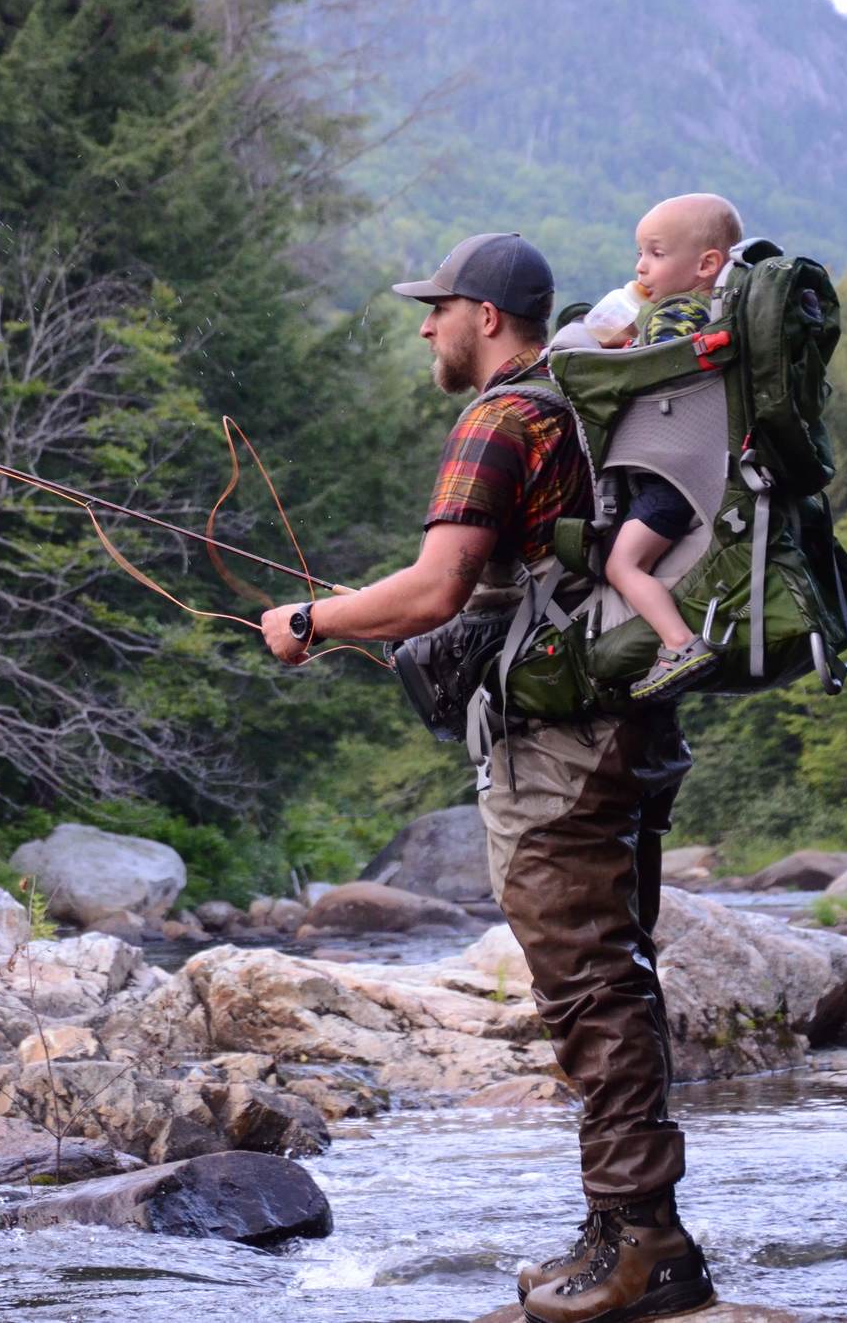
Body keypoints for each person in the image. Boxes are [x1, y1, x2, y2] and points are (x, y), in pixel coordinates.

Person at [261, 232, 716, 1323]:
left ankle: (645, 1245)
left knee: (589, 987)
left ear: (487, 316)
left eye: (438, 308)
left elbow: (435, 588)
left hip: (561, 750)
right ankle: (619, 1225)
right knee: (615, 977)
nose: (426, 326)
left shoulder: (502, 418)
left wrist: (312, 622)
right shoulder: (581, 402)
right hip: (628, 726)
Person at [598, 194, 746, 701]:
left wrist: (622, 348)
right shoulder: (721, 315)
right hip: (702, 471)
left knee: (622, 565)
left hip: (670, 480)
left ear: (706, 265)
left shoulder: (678, 311)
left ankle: (679, 643)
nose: (641, 267)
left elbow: (658, 365)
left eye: (656, 254)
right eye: (640, 253)